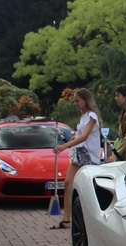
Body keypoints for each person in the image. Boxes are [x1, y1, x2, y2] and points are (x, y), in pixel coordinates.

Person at [49, 88, 102, 229]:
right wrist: (74, 138)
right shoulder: (84, 117)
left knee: (89, 189)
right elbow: (81, 136)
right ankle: (66, 219)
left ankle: (94, 219)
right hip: (79, 154)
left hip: (89, 157)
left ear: (85, 101)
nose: (75, 103)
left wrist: (64, 146)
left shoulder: (92, 116)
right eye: (74, 101)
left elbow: (84, 136)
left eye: (77, 101)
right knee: (67, 184)